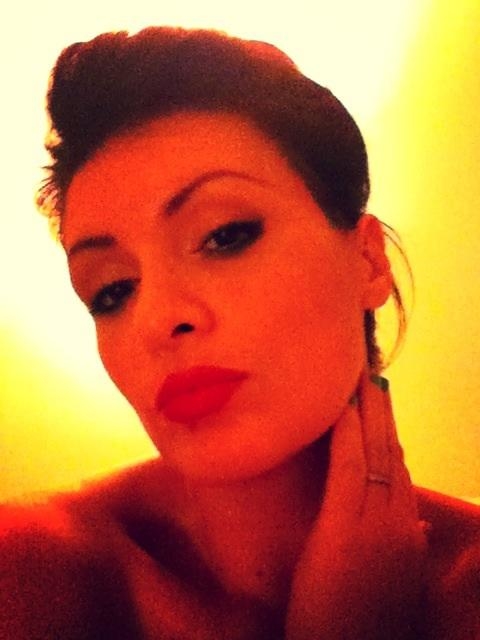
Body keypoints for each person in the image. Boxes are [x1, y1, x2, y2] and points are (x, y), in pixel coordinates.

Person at [1, 26, 479, 639]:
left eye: (225, 235)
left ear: (368, 262)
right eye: (112, 290)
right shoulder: (30, 572)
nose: (158, 318)